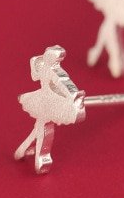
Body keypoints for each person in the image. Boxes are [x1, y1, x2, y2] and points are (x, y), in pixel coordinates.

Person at [14, 46, 86, 174]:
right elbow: (35, 76)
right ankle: (39, 156)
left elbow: (64, 84)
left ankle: (29, 152)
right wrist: (35, 61)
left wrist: (73, 95)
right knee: (43, 125)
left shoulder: (55, 71)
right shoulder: (45, 67)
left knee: (41, 125)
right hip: (44, 100)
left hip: (49, 101)